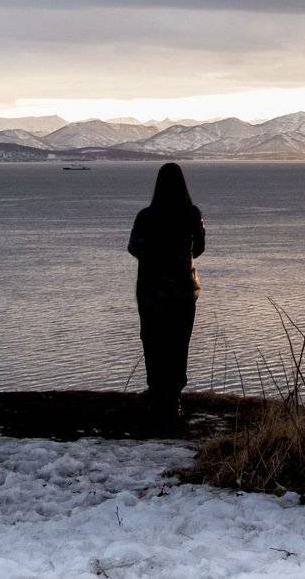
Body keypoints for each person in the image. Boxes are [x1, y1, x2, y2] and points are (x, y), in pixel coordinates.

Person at [127, 162, 205, 423]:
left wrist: (154, 258)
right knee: (178, 342)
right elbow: (200, 248)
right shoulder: (192, 214)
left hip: (150, 291)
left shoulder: (146, 216)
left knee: (153, 340)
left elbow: (133, 248)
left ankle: (156, 393)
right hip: (183, 291)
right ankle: (174, 397)